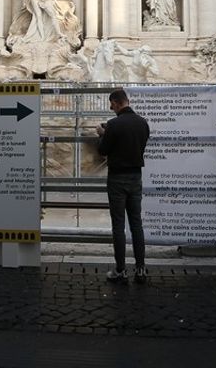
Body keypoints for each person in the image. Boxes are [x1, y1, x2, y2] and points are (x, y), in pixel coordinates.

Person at [95, 88, 151, 284]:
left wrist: (102, 134)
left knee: (118, 225)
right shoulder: (143, 123)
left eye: (112, 104)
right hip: (136, 177)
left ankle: (120, 270)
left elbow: (103, 151)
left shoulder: (113, 125)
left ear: (117, 102)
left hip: (117, 178)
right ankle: (141, 269)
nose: (111, 108)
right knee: (136, 224)